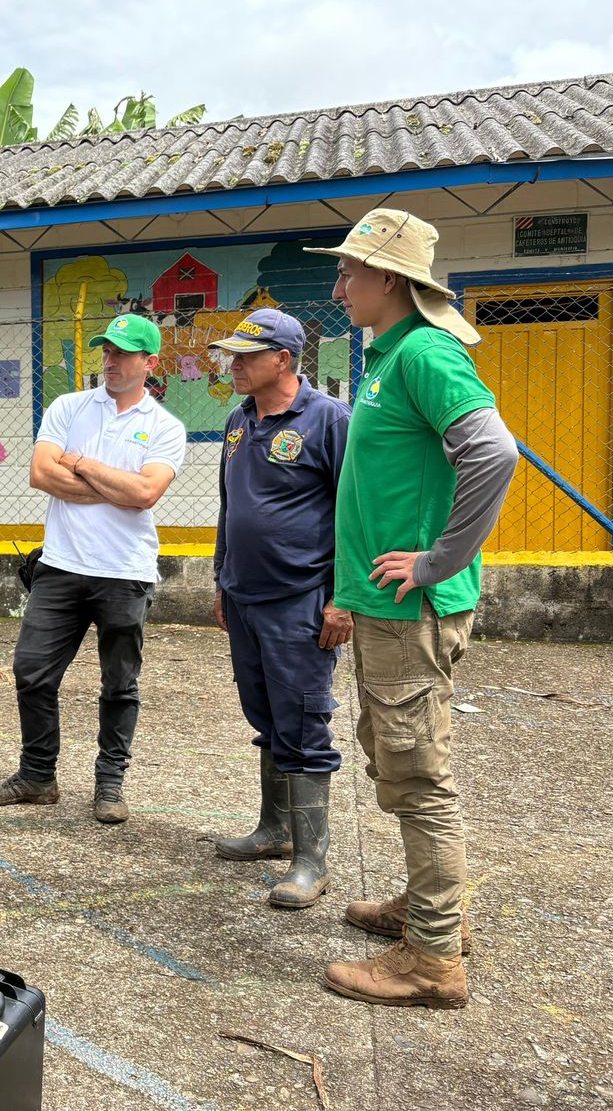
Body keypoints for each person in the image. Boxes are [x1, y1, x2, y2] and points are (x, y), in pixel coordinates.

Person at [305, 209, 518, 1008]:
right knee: (398, 762)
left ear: (390, 279)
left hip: (414, 607)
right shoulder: (390, 356)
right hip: (388, 607)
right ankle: (432, 911)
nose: (340, 285)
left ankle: (433, 959)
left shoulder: (425, 352)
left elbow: (495, 452)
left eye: (351, 272)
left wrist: (439, 559)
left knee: (419, 777)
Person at [0, 312, 186, 824]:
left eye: (122, 353)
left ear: (150, 362)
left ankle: (109, 785)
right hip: (61, 565)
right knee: (32, 671)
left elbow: (144, 495)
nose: (110, 361)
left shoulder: (164, 427)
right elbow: (40, 474)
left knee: (120, 684)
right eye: (106, 351)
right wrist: (113, 486)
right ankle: (37, 775)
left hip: (126, 570)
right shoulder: (69, 407)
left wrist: (83, 465)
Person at [208, 309, 352, 909]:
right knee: (265, 713)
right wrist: (221, 578)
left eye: (246, 355)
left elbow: (356, 513)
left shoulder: (329, 420)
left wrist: (345, 599)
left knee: (301, 720)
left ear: (284, 360)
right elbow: (228, 504)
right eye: (233, 354)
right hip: (244, 596)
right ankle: (274, 829)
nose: (234, 364)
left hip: (302, 600)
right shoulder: (238, 421)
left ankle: (311, 860)